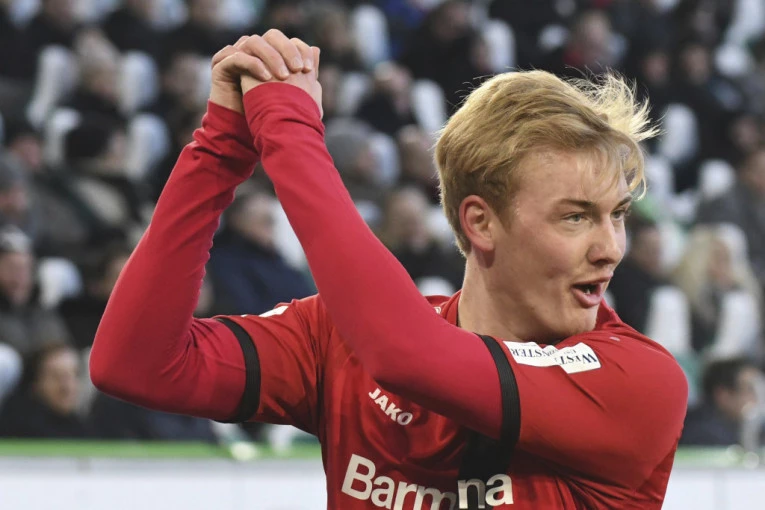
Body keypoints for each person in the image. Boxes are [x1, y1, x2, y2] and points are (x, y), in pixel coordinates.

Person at [90, 30, 688, 509]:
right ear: (480, 223)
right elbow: (135, 364)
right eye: (576, 217)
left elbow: (407, 356)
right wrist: (219, 148)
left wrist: (290, 130)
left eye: (617, 215)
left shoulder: (639, 382)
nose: (611, 248)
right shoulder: (336, 341)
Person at [681, 357, 764, 446]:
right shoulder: (705, 435)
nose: (757, 398)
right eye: (750, 390)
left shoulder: (732, 426)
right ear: (724, 395)